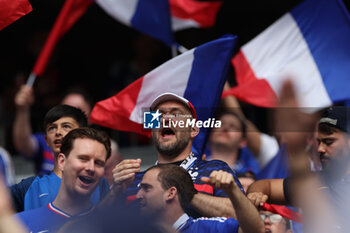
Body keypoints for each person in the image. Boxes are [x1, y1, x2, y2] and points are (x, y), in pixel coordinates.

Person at [113, 92, 244, 218]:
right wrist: (115, 191)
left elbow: (243, 216)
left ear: (193, 130)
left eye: (176, 115)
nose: (166, 119)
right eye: (159, 116)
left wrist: (186, 194)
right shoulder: (133, 179)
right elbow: (101, 223)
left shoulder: (215, 169)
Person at [10, 105, 109, 212]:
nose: (58, 132)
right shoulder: (29, 188)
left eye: (66, 126)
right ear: (47, 140)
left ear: (83, 133)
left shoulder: (98, 182)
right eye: (52, 128)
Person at [16, 127, 111, 233]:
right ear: (62, 162)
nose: (91, 168)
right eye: (83, 158)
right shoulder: (18, 224)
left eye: (98, 163)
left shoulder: (113, 226)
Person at [131, 164, 264, 233]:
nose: (138, 196)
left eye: (146, 188)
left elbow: (255, 231)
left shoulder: (208, 228)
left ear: (170, 193)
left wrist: (233, 191)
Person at [13, 85, 93, 175]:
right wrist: (23, 110)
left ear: (89, 116)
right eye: (65, 109)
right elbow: (24, 145)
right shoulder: (49, 140)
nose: (69, 117)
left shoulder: (100, 150)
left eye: (77, 111)